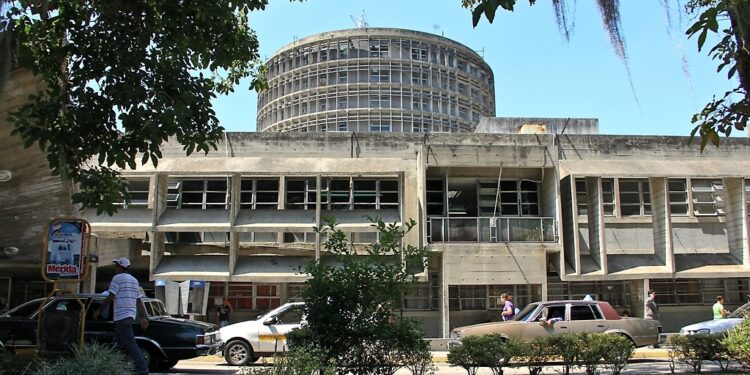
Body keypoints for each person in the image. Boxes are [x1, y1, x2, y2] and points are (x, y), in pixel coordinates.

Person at [93, 258, 149, 375]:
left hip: (121, 316)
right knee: (118, 343)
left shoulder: (117, 278)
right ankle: (108, 365)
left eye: (116, 266)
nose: (115, 268)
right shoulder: (134, 280)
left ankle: (142, 368)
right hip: (130, 316)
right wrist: (144, 317)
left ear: (119, 267)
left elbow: (110, 296)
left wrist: (99, 311)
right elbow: (139, 300)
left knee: (130, 343)